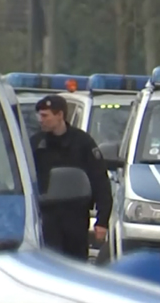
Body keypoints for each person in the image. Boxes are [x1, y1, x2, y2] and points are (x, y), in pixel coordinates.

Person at [30, 95, 112, 261]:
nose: (41, 120)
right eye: (39, 115)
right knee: (50, 263)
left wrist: (102, 221)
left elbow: (100, 181)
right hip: (46, 216)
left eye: (45, 116)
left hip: (75, 215)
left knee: (76, 263)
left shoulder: (82, 142)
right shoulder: (36, 144)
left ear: (60, 115)